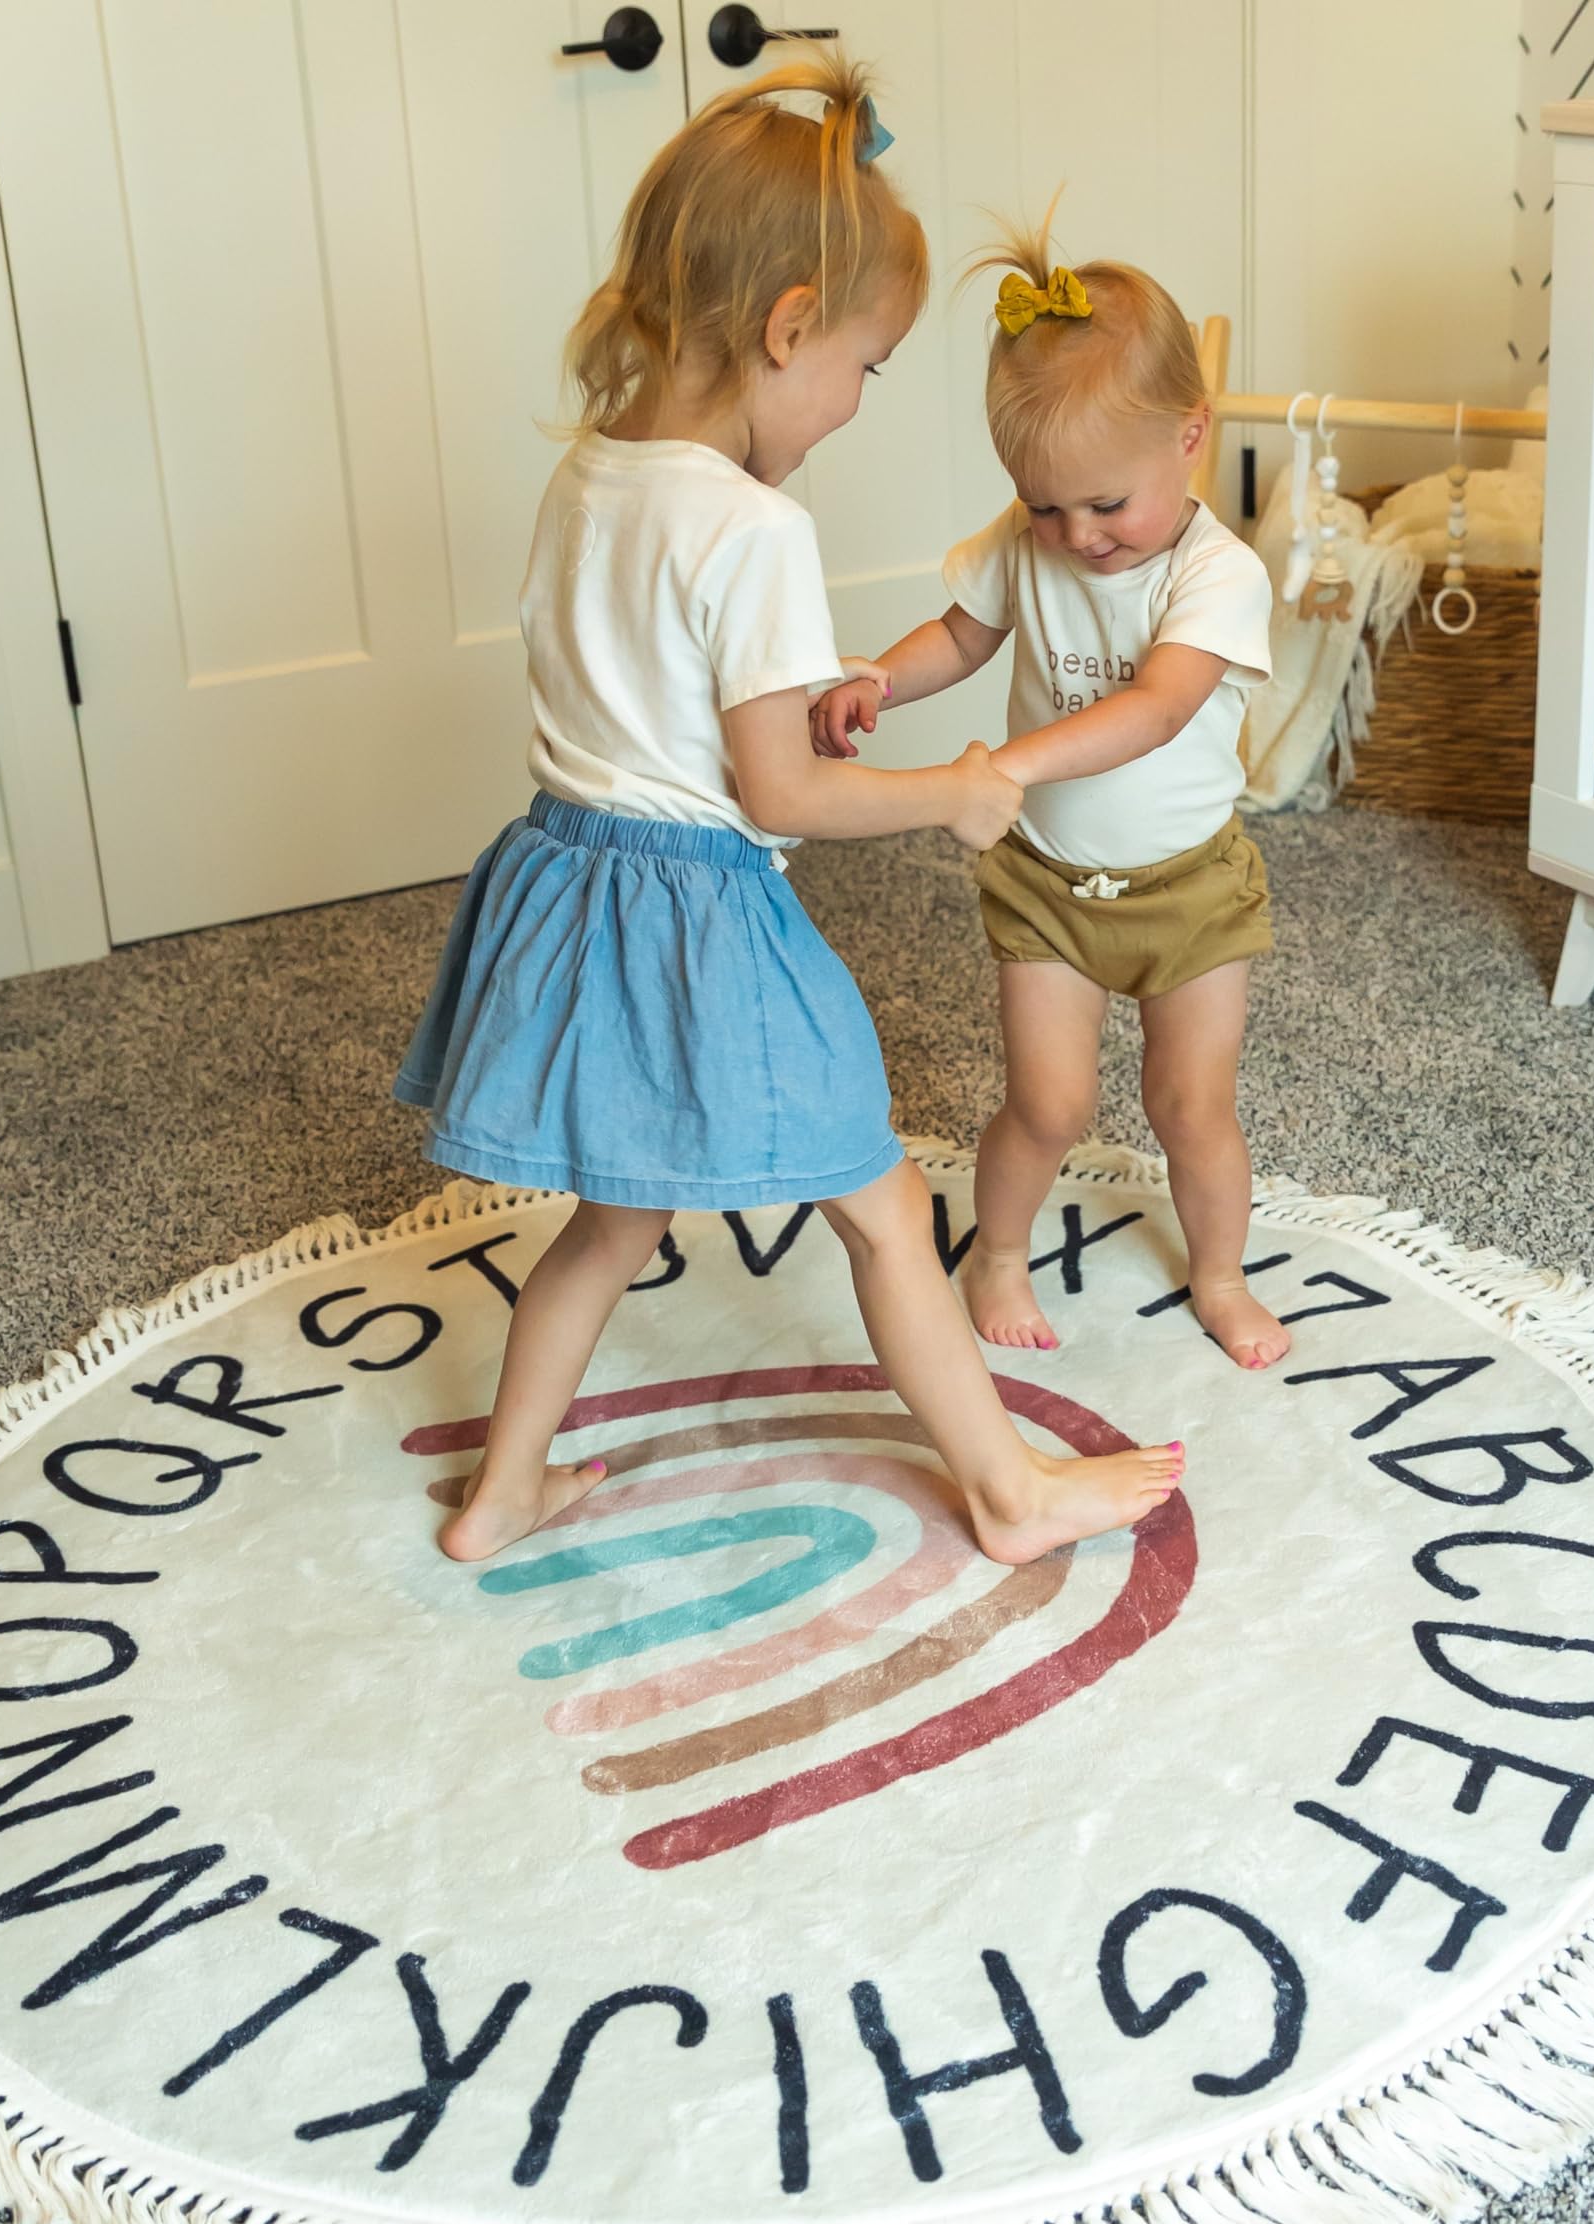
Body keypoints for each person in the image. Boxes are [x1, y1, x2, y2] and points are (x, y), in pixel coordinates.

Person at [394, 66, 1185, 1564]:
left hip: (568, 884)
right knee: (885, 1210)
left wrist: (806, 689)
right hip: (701, 922)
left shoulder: (589, 473)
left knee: (614, 1217)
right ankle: (1008, 1497)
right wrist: (954, 789)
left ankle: (501, 1496)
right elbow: (780, 796)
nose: (853, 404)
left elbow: (655, 695)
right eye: (866, 368)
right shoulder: (754, 524)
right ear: (790, 326)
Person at [812, 214, 1286, 1368]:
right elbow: (963, 635)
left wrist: (1011, 763)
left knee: (1191, 1109)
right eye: (1042, 506)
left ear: (1189, 437)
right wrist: (881, 673)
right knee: (1046, 1105)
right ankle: (997, 1255)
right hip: (1048, 890)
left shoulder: (1219, 575)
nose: (1076, 537)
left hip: (1192, 892)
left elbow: (1159, 707)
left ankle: (1218, 1274)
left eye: (1105, 505)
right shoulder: (1032, 541)